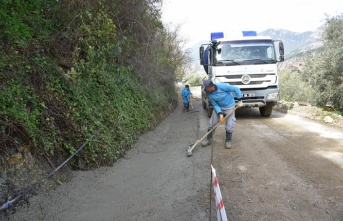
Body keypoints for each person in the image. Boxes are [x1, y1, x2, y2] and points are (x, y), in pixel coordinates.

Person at [201, 80, 243, 149]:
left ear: (209, 87)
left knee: (230, 125)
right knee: (212, 124)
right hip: (219, 108)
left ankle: (228, 140)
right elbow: (215, 104)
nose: (205, 90)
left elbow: (236, 89)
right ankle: (208, 139)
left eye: (205, 88)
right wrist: (220, 113)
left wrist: (239, 100)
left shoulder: (222, 86)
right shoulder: (209, 94)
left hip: (229, 107)